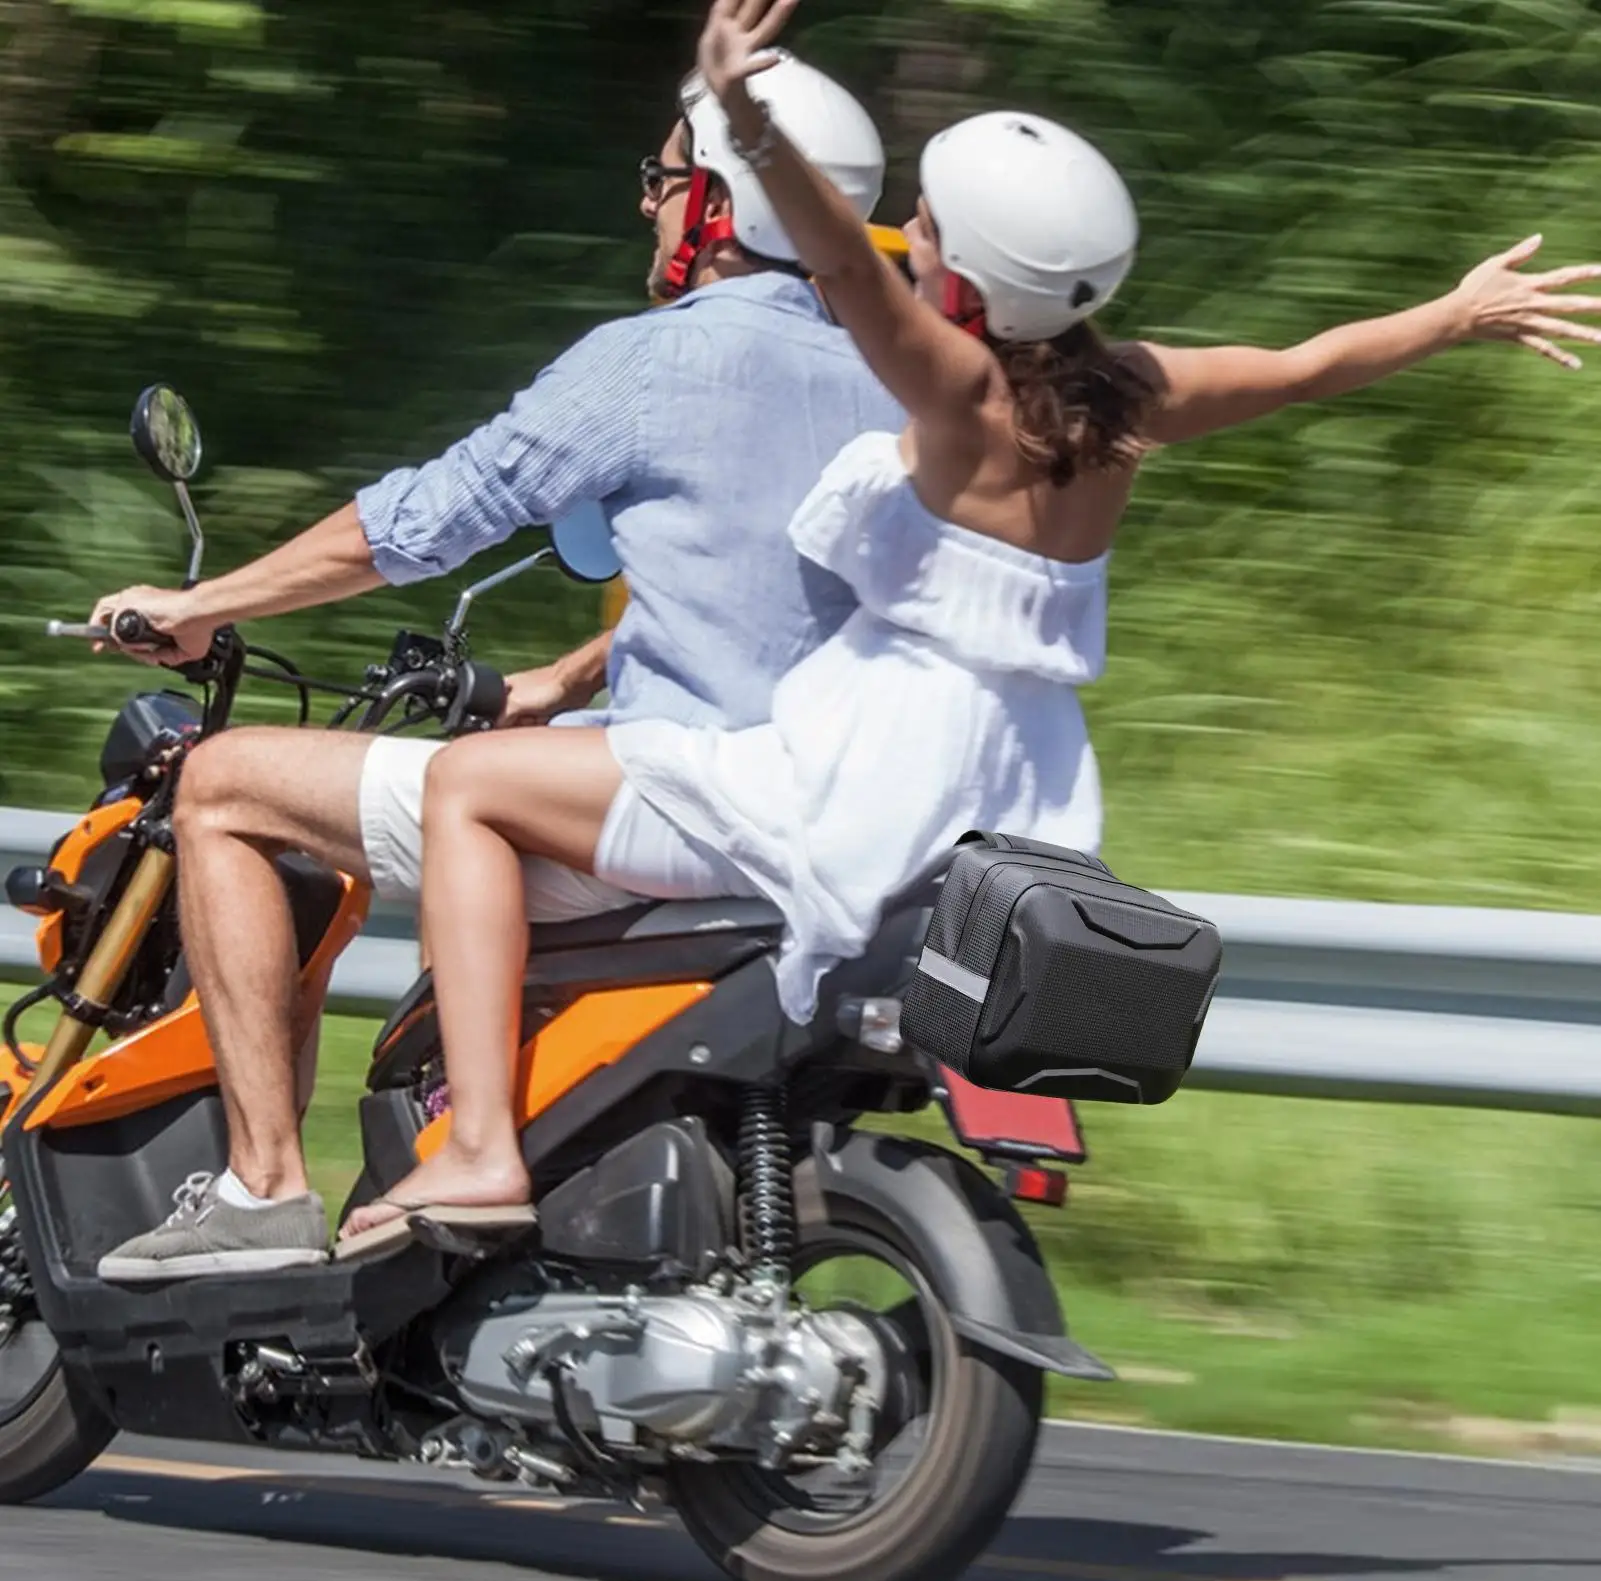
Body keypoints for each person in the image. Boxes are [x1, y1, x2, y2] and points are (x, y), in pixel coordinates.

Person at [332, 0, 1601, 1252]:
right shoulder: (1134, 394)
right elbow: (1312, 361)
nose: (906, 236)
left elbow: (832, 261)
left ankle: (484, 1144)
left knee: (474, 783)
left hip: (875, 756)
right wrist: (1456, 314)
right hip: (1027, 774)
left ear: (975, 286)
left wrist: (740, 117)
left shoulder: (959, 397)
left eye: (927, 226)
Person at [95, 48, 904, 1282]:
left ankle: (266, 1183)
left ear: (724, 208)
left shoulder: (652, 359)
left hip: (689, 811)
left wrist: (205, 605)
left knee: (223, 784)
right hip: (842, 811)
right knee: (497, 773)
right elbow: (778, 599)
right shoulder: (897, 386)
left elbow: (418, 521)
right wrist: (566, 679)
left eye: (667, 176)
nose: (649, 199)